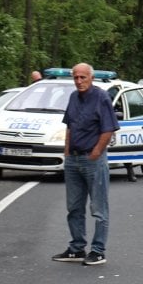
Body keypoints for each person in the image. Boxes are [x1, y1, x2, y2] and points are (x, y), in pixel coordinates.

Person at [52, 63, 119, 266]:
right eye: (76, 78)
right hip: (73, 159)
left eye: (83, 77)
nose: (79, 81)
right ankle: (76, 248)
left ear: (91, 78)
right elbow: (70, 126)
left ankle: (98, 250)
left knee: (99, 208)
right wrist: (67, 152)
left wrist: (96, 152)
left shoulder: (101, 97)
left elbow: (108, 129)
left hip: (93, 160)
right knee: (73, 207)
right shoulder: (73, 98)